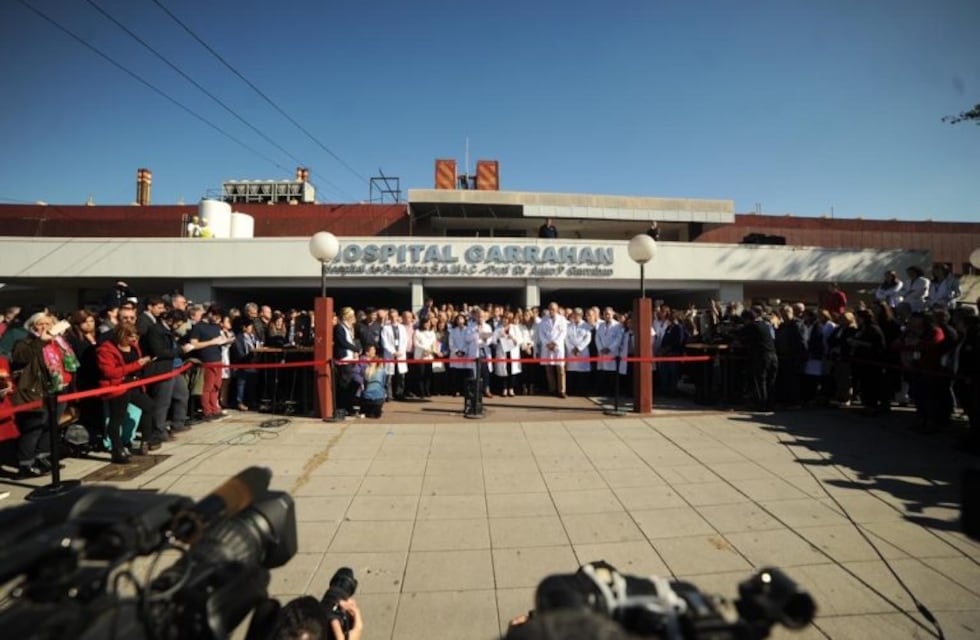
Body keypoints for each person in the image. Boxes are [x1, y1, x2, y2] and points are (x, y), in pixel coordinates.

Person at [97, 323, 159, 463]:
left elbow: (137, 363)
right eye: (130, 336)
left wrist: (144, 364)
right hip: (117, 386)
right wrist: (137, 365)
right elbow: (109, 372)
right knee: (116, 419)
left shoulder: (134, 346)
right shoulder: (106, 349)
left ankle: (145, 441)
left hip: (134, 384)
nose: (133, 338)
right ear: (121, 335)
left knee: (149, 407)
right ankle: (117, 450)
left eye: (135, 335)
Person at [9, 312, 56, 477]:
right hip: (31, 392)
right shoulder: (24, 342)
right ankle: (25, 465)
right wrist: (39, 342)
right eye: (41, 324)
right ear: (33, 326)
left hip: (50, 390)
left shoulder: (55, 342)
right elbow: (21, 357)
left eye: (48, 324)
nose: (45, 327)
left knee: (47, 427)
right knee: (32, 429)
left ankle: (41, 457)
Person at [142, 309, 193, 437]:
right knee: (162, 401)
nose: (179, 326)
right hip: (163, 369)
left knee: (182, 394)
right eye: (178, 323)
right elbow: (159, 352)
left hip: (175, 368)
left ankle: (178, 423)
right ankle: (159, 430)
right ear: (170, 320)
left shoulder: (169, 331)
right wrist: (181, 350)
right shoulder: (155, 330)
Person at [189, 306, 233, 420]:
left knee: (216, 385)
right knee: (207, 387)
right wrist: (211, 342)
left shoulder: (215, 326)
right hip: (207, 360)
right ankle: (206, 410)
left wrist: (225, 341)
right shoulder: (198, 327)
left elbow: (218, 340)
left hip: (218, 358)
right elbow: (194, 344)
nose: (218, 319)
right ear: (210, 314)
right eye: (216, 316)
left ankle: (215, 408)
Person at [736, 308, 778, 411]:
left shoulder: (752, 326)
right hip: (773, 355)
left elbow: (739, 334)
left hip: (762, 357)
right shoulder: (764, 324)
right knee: (771, 381)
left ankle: (761, 404)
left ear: (747, 319)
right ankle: (770, 404)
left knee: (760, 381)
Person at [333, 307, 360, 417]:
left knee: (349, 384)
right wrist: (354, 348)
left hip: (350, 359)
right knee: (344, 384)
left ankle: (348, 406)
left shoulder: (350, 328)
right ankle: (342, 407)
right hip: (343, 359)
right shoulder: (340, 327)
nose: (354, 318)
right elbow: (343, 342)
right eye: (352, 315)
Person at [538, 302, 568, 398]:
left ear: (557, 309)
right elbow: (541, 333)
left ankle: (561, 390)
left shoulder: (562, 319)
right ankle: (552, 389)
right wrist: (547, 343)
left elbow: (563, 333)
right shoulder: (543, 320)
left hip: (557, 347)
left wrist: (555, 343)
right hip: (547, 347)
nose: (552, 311)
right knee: (549, 369)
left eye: (553, 309)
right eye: (550, 309)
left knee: (560, 370)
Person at [231, 317, 259, 411]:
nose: (252, 329)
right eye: (250, 327)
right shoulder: (239, 338)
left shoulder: (253, 337)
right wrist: (250, 354)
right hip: (243, 363)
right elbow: (239, 353)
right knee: (241, 383)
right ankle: (239, 402)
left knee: (252, 383)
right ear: (244, 327)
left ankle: (251, 401)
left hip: (253, 363)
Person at [492, 312, 522, 397]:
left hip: (512, 351)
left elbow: (520, 340)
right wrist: (499, 337)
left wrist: (512, 337)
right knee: (504, 372)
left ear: (509, 320)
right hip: (502, 352)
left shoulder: (515, 328)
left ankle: (511, 389)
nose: (504, 320)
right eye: (503, 319)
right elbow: (493, 341)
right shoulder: (498, 329)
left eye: (506, 319)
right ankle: (504, 389)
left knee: (512, 371)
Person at [354, 345, 387, 419]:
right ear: (367, 352)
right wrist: (362, 382)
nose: (374, 351)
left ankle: (371, 409)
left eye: (374, 349)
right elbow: (356, 374)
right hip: (364, 387)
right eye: (372, 350)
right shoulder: (362, 361)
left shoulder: (377, 361)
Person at [565, 309, 592, 395]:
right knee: (572, 372)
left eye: (577, 315)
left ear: (581, 315)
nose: (575, 316)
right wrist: (572, 349)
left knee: (582, 372)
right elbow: (566, 338)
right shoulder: (568, 326)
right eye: (574, 314)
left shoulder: (586, 325)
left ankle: (581, 391)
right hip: (571, 352)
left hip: (582, 352)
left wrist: (579, 348)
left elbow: (587, 338)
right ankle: (571, 391)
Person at [413, 316, 438, 398]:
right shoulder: (417, 331)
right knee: (421, 374)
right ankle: (421, 392)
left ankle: (427, 391)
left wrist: (430, 351)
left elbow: (434, 343)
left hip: (429, 355)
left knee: (428, 375)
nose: (427, 324)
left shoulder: (432, 332)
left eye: (428, 323)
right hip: (420, 355)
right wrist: (424, 349)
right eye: (425, 323)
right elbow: (416, 343)